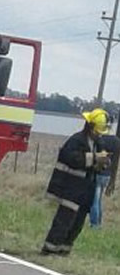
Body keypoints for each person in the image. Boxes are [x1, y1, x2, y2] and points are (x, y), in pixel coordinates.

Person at [42, 108, 112, 255]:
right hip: (70, 188)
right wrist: (94, 158)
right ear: (90, 126)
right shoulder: (76, 140)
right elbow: (72, 159)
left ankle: (64, 249)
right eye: (98, 131)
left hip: (86, 190)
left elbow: (98, 162)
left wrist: (103, 163)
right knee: (64, 220)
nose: (99, 134)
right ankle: (50, 249)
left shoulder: (98, 143)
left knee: (77, 223)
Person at [91, 116, 120, 228]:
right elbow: (115, 163)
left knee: (95, 200)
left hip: (98, 173)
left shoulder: (99, 139)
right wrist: (112, 181)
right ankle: (98, 222)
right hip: (107, 175)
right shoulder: (116, 141)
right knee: (98, 199)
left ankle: (94, 224)